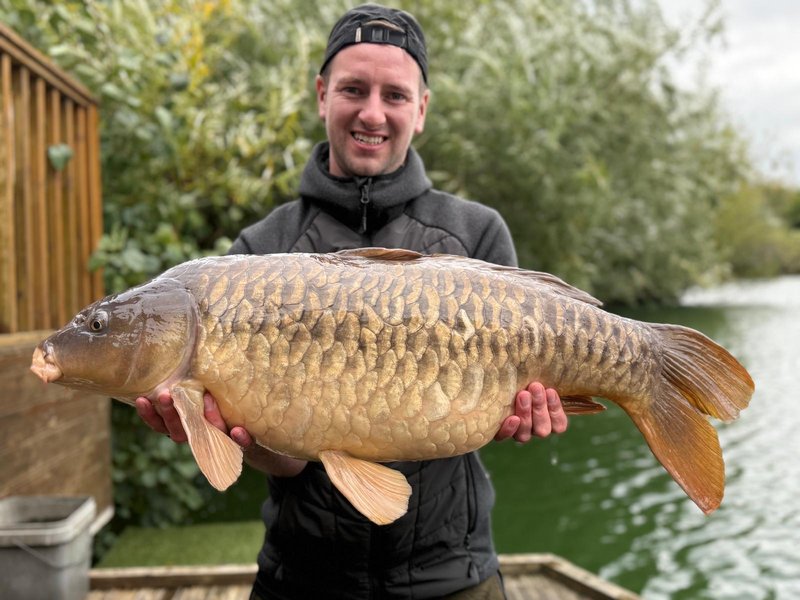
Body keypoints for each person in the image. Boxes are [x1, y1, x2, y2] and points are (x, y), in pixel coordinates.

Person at [135, 5, 568, 599]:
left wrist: (520, 412)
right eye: (353, 89)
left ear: (421, 109)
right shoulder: (256, 255)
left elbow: (501, 411)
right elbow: (281, 459)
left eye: (395, 95)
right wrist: (234, 435)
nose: (372, 112)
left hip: (453, 576)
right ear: (322, 95)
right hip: (302, 578)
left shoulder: (476, 234)